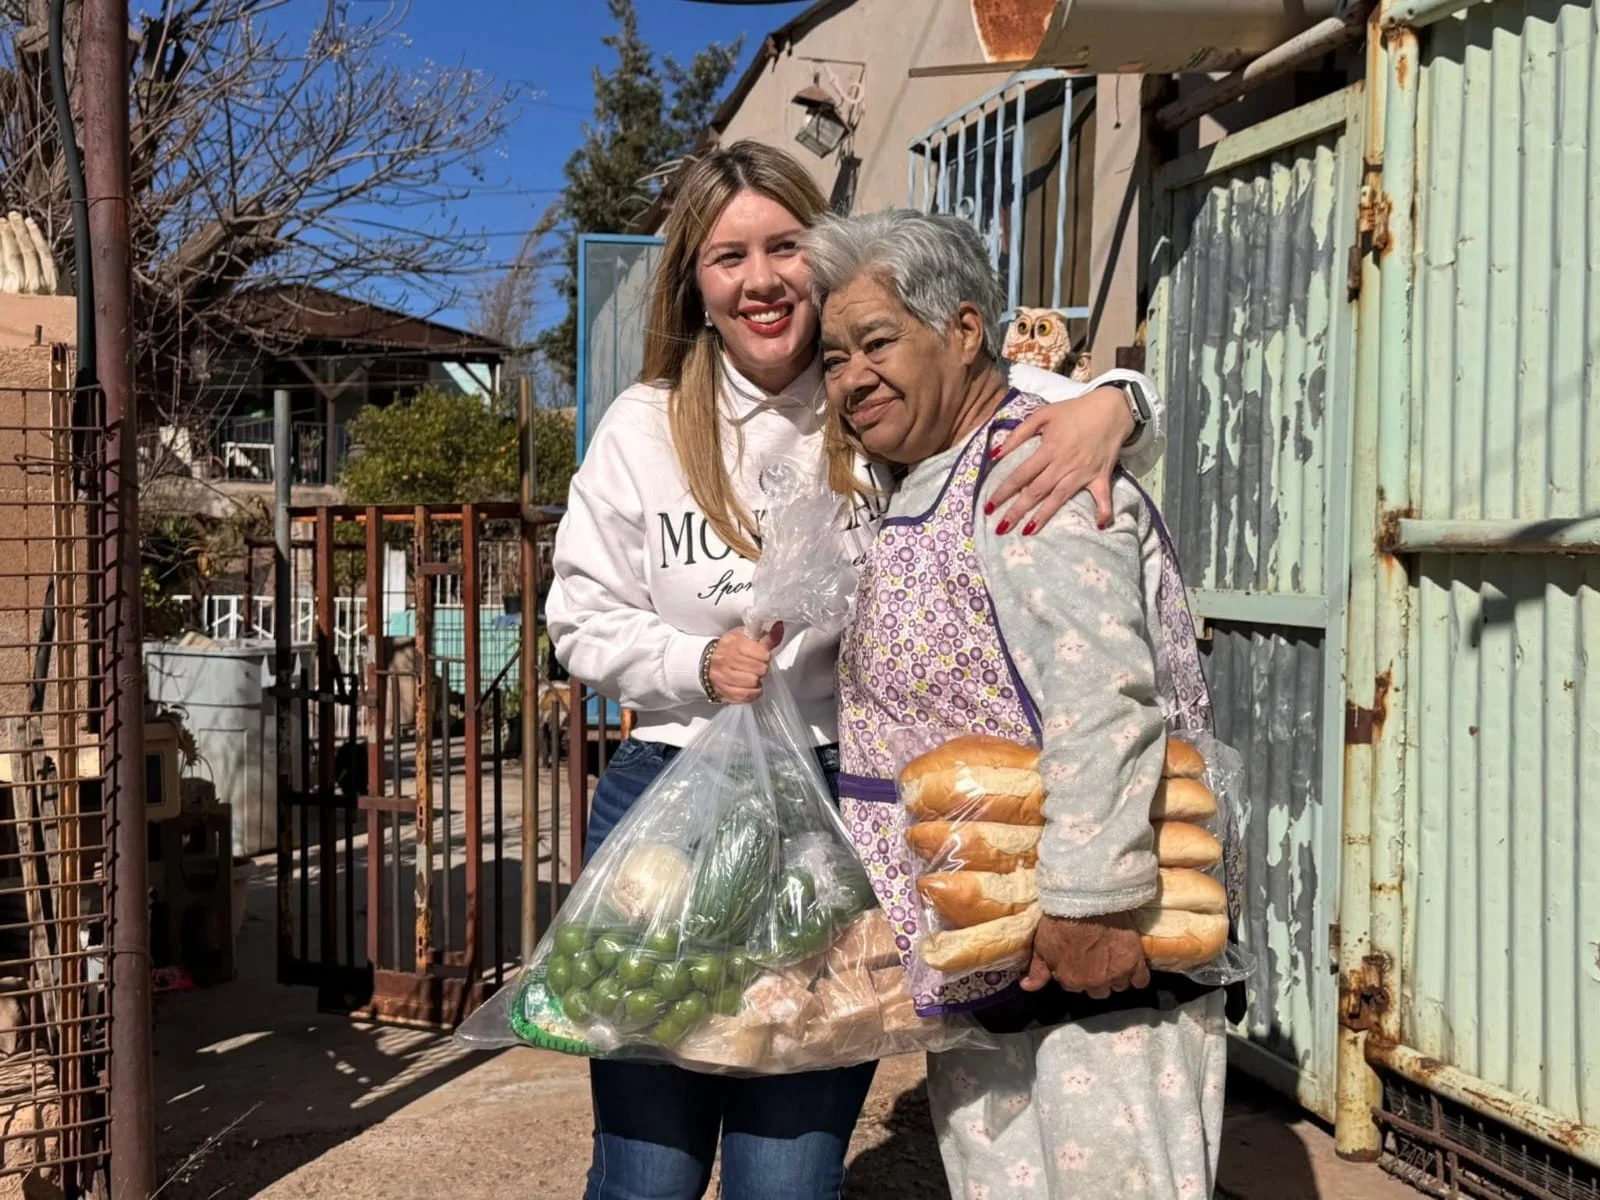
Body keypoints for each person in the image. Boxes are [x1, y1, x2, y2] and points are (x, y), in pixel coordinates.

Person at [546, 141, 1167, 1200]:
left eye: (783, 246)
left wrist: (1120, 402)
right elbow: (578, 618)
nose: (759, 280)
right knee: (646, 1171)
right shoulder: (644, 427)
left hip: (840, 809)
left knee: (786, 1178)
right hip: (671, 799)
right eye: (726, 255)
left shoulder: (879, 397)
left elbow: (1027, 395)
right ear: (693, 282)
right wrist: (696, 660)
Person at [809, 207, 1229, 1199]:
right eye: (833, 358)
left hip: (1086, 966)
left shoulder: (1025, 472)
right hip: (994, 955)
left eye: (876, 342)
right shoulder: (933, 475)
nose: (851, 376)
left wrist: (1091, 908)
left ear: (961, 331)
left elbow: (1103, 696)